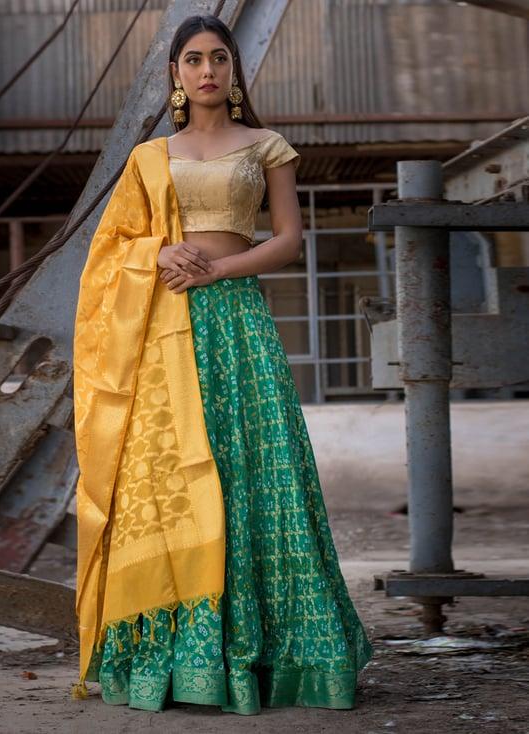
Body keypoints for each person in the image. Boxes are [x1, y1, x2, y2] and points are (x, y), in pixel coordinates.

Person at [71, 13, 374, 716]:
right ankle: (177, 661)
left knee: (256, 470)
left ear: (234, 72)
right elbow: (111, 244)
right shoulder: (150, 157)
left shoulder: (266, 146)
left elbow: (289, 239)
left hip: (238, 319)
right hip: (165, 330)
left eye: (219, 59)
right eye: (193, 60)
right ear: (175, 75)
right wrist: (156, 252)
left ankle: (273, 656)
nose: (207, 70)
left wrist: (220, 270)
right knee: (168, 477)